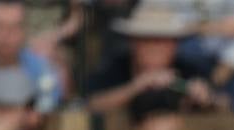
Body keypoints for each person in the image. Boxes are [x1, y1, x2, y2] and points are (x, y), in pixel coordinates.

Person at [85, 4, 216, 114]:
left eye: (162, 40)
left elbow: (222, 103)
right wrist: (137, 86)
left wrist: (204, 99)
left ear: (174, 45)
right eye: (147, 40)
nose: (155, 47)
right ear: (134, 43)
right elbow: (91, 104)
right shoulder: (115, 68)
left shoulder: (189, 71)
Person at [171, 0, 234, 112]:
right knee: (189, 49)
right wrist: (215, 27)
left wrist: (212, 86)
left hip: (223, 69)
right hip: (179, 65)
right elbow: (162, 23)